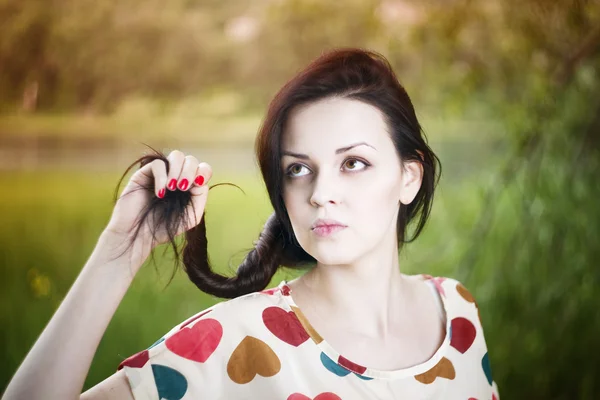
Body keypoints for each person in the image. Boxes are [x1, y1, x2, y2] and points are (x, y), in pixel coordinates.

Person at [2, 48, 500, 399]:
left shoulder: (456, 312)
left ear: (409, 178)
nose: (321, 192)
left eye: (353, 163)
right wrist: (120, 249)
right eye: (298, 169)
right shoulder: (235, 340)